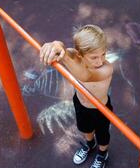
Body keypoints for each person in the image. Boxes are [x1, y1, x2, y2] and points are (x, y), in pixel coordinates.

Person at [40, 24, 113, 168]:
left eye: (103, 54)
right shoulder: (75, 54)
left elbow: (85, 76)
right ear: (80, 54)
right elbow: (64, 50)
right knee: (86, 129)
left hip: (101, 109)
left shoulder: (106, 68)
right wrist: (56, 45)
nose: (100, 61)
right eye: (94, 57)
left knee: (103, 135)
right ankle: (90, 145)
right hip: (80, 103)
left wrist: (64, 56)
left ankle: (102, 153)